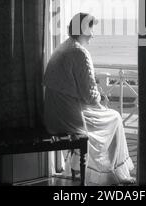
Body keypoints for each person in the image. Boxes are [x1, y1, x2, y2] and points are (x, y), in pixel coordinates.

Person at [43, 12, 135, 186]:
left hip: (53, 115)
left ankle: (80, 165)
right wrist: (101, 98)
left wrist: (95, 97)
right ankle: (116, 173)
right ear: (84, 29)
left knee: (107, 116)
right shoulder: (80, 52)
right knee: (115, 118)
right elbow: (89, 95)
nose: (93, 34)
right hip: (69, 117)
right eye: (92, 29)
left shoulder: (63, 47)